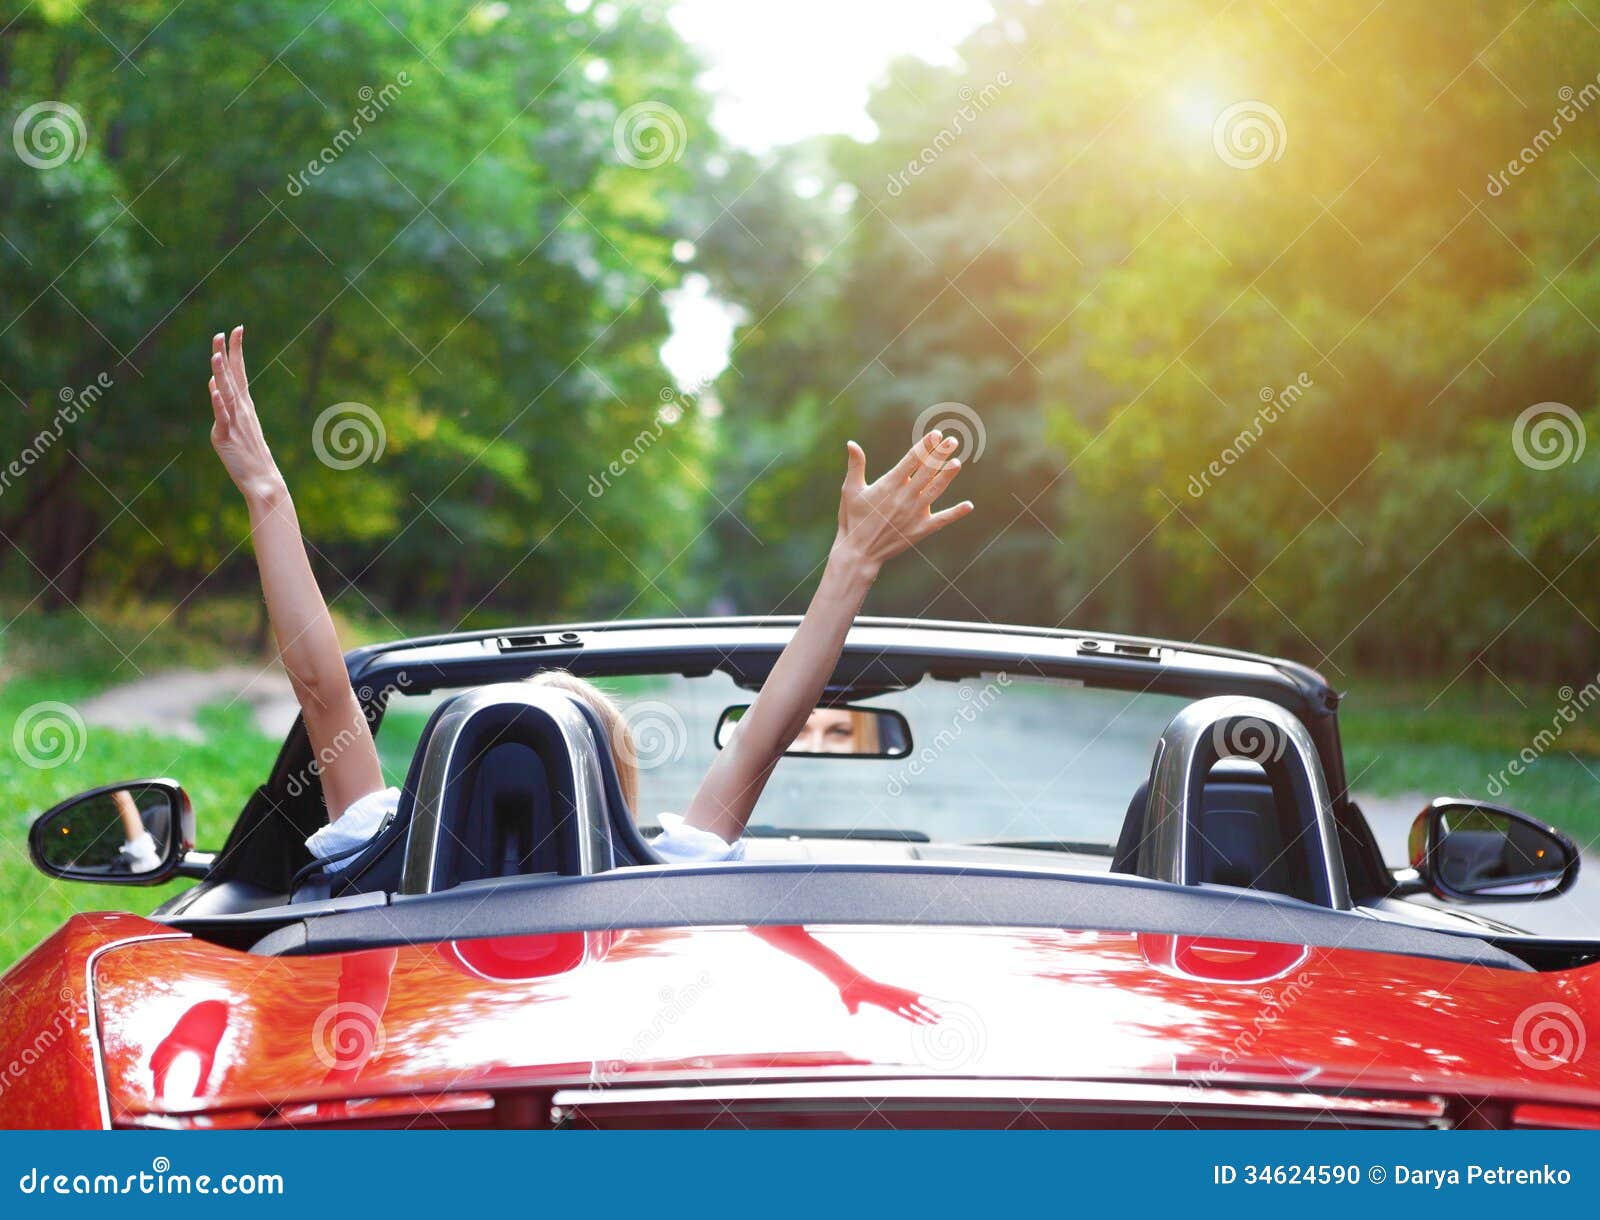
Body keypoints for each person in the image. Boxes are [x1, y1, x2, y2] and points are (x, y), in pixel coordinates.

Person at [206, 325, 973, 872]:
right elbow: (763, 734)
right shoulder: (665, 874)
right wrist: (852, 562)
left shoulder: (380, 855)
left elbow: (321, 690)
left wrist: (268, 493)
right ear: (610, 786)